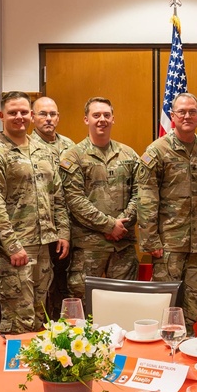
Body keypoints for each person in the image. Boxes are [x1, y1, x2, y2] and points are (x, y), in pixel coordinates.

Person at [0, 91, 69, 333]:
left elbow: (57, 194)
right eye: (12, 112)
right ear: (1, 116)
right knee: (19, 318)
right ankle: (16, 369)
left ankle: (37, 369)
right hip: (16, 249)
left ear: (30, 114)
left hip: (44, 244)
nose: (19, 117)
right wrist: (11, 245)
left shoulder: (42, 150)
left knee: (40, 315)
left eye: (23, 112)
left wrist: (63, 232)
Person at [137, 93, 197, 333]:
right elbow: (146, 199)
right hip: (169, 243)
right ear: (172, 116)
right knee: (166, 300)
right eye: (181, 112)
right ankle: (165, 348)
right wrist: (151, 239)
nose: (187, 116)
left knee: (194, 299)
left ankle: (188, 339)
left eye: (192, 111)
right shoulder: (157, 151)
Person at [59, 97, 140, 300]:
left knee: (125, 305)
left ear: (113, 119)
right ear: (86, 119)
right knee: (84, 310)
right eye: (96, 115)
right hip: (89, 248)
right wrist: (109, 225)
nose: (101, 119)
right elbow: (74, 199)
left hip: (123, 246)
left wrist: (122, 224)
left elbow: (141, 193)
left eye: (106, 115)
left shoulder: (128, 154)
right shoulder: (73, 156)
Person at [29, 95, 77, 319]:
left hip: (73, 227)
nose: (48, 119)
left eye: (52, 114)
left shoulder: (70, 146)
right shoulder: (28, 148)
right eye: (42, 114)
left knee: (67, 285)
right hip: (41, 231)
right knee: (41, 290)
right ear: (32, 117)